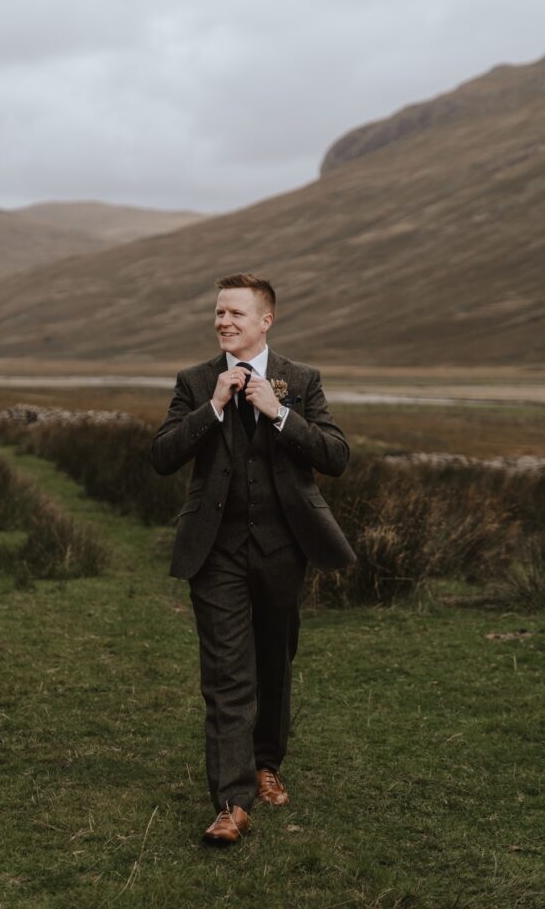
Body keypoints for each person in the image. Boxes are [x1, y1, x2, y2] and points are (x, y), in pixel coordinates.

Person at [150, 272, 355, 845]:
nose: (224, 322)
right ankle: (232, 802)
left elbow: (337, 456)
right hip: (213, 552)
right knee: (226, 676)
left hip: (283, 549)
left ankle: (268, 764)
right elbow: (162, 456)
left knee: (273, 664)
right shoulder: (194, 382)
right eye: (219, 313)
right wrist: (212, 407)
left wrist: (280, 413)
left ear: (265, 320)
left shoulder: (302, 380)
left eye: (236, 314)